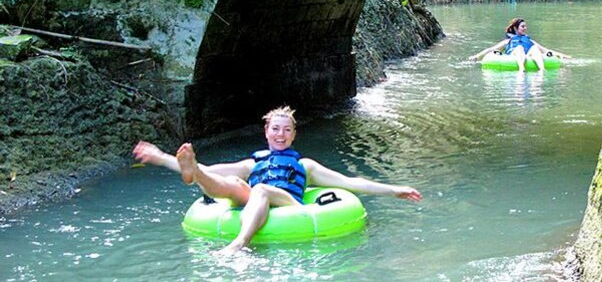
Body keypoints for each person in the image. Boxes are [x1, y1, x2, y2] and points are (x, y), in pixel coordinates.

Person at [132, 106, 422, 254]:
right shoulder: (251, 163)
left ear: (294, 135)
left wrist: (394, 190)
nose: (281, 134)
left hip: (287, 202)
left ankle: (239, 243)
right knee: (229, 183)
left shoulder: (305, 165)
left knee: (259, 189)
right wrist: (160, 156)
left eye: (286, 130)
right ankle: (190, 174)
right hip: (253, 196)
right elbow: (211, 169)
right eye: (275, 129)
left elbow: (349, 182)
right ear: (266, 132)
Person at [467, 17, 571, 72]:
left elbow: (545, 50)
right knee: (519, 47)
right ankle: (522, 69)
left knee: (535, 48)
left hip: (529, 56)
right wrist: (477, 56)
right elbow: (491, 49)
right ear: (516, 28)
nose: (525, 28)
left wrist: (563, 56)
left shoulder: (530, 41)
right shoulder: (508, 41)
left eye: (525, 26)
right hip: (514, 55)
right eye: (523, 27)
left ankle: (542, 70)